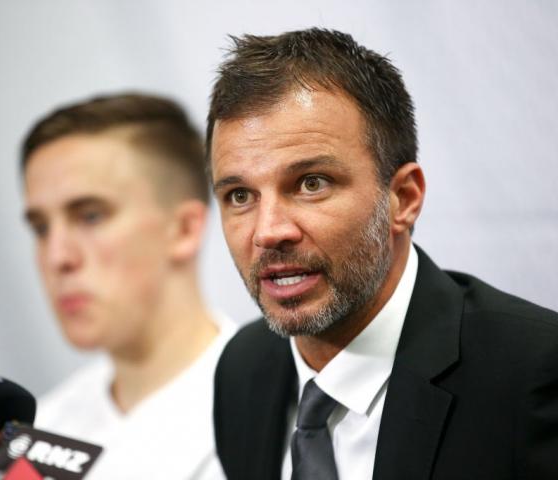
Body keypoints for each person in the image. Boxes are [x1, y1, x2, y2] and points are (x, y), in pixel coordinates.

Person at [207, 28, 558, 479]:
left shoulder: (533, 375)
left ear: (403, 198)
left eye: (311, 183)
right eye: (239, 195)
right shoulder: (242, 367)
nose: (269, 231)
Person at [21, 92, 235, 479]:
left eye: (89, 216)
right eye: (40, 227)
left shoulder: (284, 412)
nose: (57, 257)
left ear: (185, 228)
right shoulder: (39, 433)